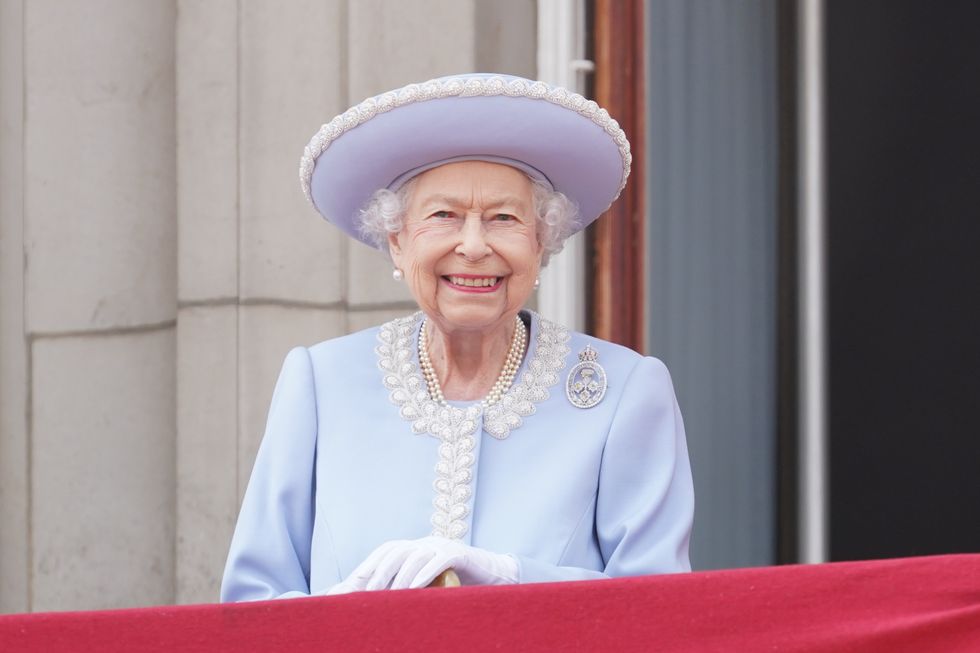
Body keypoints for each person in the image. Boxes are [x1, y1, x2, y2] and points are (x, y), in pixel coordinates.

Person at [220, 73, 694, 601]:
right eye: (443, 216)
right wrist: (340, 611)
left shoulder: (625, 391)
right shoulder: (320, 382)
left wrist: (510, 578)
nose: (473, 245)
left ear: (542, 243)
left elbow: (659, 605)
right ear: (397, 242)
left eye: (504, 218)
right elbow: (251, 603)